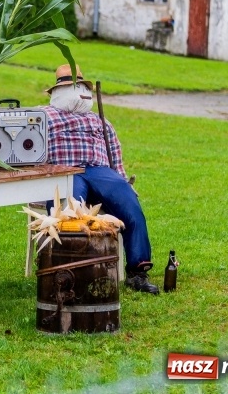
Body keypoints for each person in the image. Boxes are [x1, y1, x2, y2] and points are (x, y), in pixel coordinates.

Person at [41, 65, 159, 294]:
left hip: (101, 171)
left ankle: (138, 271)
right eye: (72, 87)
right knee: (69, 212)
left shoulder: (100, 121)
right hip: (65, 171)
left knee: (130, 207)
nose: (79, 93)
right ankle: (69, 269)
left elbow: (115, 153)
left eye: (82, 87)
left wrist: (124, 181)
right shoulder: (44, 115)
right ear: (59, 92)